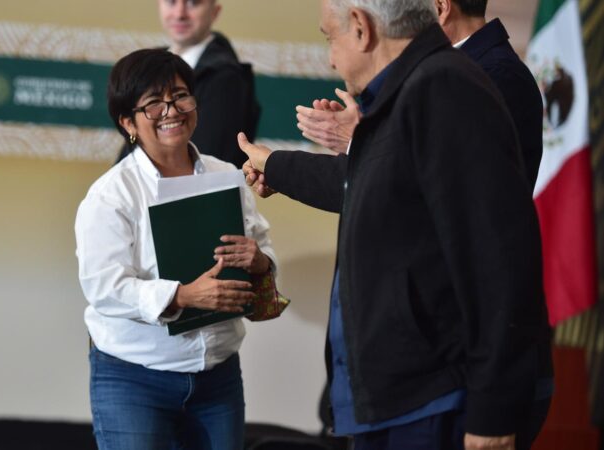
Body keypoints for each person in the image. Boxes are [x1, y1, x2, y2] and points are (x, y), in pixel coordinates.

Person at [239, 1, 552, 449]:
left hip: (439, 398)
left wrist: (493, 410)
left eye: (330, 36)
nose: (330, 56)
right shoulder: (411, 92)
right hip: (404, 393)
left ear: (362, 30)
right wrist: (285, 164)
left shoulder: (445, 87)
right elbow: (374, 186)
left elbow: (497, 258)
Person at [75, 48, 275, 450]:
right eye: (153, 104)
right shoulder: (111, 194)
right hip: (134, 377)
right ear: (128, 122)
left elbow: (263, 247)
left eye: (181, 96)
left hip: (218, 375)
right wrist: (183, 295)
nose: (172, 110)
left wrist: (259, 261)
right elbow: (104, 287)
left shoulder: (228, 177)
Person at [295, 0, 543, 190]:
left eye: (413, 9)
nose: (401, 21)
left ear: (440, 7)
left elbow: (440, 180)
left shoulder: (496, 76)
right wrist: (369, 130)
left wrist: (361, 139)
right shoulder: (441, 73)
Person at [115, 0, 260, 169]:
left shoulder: (228, 79)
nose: (179, 14)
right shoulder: (148, 64)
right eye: (171, 2)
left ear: (215, 11)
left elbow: (207, 170)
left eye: (193, 3)